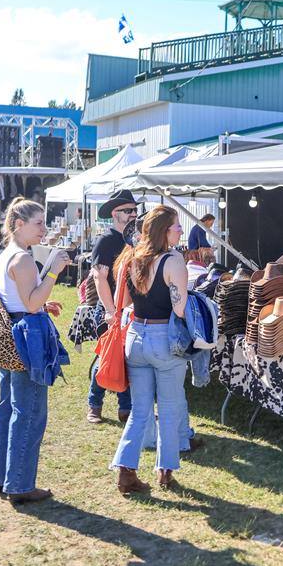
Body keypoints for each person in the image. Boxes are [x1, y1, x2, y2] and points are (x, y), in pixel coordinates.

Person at [0, 196, 71, 504]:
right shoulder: (22, 258)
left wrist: (40, 302)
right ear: (19, 225)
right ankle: (20, 484)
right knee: (30, 412)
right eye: (38, 223)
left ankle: (1, 477)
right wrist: (53, 272)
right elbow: (31, 302)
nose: (43, 229)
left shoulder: (7, 254)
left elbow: (20, 299)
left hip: (11, 334)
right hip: (27, 338)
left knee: (8, 408)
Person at [110, 205, 193, 494]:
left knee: (139, 410)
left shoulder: (131, 260)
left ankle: (126, 470)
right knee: (169, 408)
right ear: (163, 231)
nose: (181, 230)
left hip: (136, 336)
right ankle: (165, 471)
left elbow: (125, 303)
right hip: (163, 337)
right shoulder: (174, 261)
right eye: (176, 226)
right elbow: (180, 308)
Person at [86, 189, 137, 425]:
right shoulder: (106, 240)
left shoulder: (135, 240)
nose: (133, 214)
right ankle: (94, 405)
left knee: (125, 358)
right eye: (128, 211)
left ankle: (125, 409)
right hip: (109, 308)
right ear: (115, 214)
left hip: (128, 309)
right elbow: (99, 277)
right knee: (106, 357)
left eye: (135, 210)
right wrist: (109, 310)